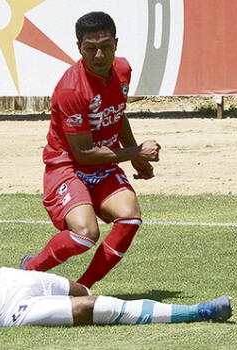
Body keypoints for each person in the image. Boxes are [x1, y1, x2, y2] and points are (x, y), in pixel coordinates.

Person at [0, 203, 232, 331]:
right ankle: (198, 312)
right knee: (95, 309)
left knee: (80, 291)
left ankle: (135, 309)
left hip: (6, 281)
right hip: (8, 312)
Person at [20, 11, 161, 288]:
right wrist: (136, 153)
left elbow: (116, 113)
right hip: (68, 166)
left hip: (104, 164)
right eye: (90, 48)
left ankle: (82, 288)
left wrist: (135, 157)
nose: (99, 55)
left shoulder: (122, 70)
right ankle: (29, 269)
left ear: (116, 44)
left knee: (130, 219)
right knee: (85, 234)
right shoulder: (71, 89)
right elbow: (82, 153)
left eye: (105, 46)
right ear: (78, 48)